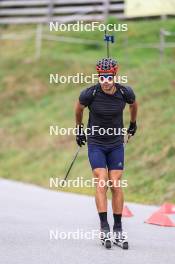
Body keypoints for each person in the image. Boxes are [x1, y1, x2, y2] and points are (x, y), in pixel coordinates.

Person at [75, 58, 138, 245]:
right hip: (96, 143)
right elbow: (78, 109)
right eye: (102, 77)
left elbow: (134, 105)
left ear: (115, 75)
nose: (106, 81)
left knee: (115, 183)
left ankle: (118, 227)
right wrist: (79, 129)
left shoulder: (125, 92)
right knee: (101, 181)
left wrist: (133, 124)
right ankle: (104, 227)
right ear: (99, 76)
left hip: (116, 144)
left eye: (109, 77)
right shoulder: (90, 93)